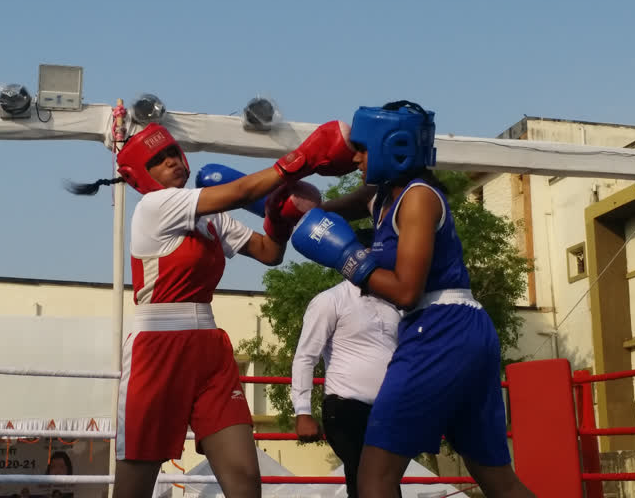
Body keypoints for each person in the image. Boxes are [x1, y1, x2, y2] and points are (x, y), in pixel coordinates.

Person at [66, 120, 356, 498]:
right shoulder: (154, 207)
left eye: (173, 152)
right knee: (133, 490)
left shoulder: (211, 215)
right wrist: (301, 160)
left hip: (209, 348)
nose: (171, 161)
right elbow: (240, 191)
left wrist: (280, 220)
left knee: (245, 482)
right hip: (159, 348)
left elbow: (269, 253)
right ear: (141, 174)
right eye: (158, 159)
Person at [291, 101, 537, 498]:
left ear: (395, 147)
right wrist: (297, 212)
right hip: (459, 330)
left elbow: (407, 291)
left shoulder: (418, 198)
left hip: (438, 326)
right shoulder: (383, 196)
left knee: (375, 477)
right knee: (494, 477)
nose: (355, 156)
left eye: (363, 148)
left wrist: (348, 259)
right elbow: (333, 211)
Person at [291, 277, 401, 498]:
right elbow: (305, 356)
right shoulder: (330, 300)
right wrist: (302, 411)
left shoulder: (395, 302)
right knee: (367, 477)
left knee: (384, 480)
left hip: (389, 410)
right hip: (345, 406)